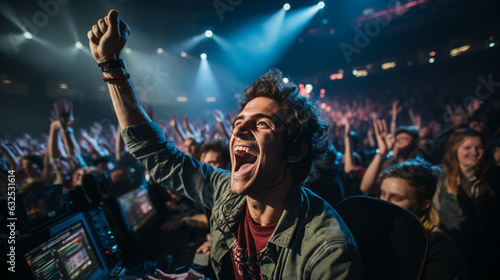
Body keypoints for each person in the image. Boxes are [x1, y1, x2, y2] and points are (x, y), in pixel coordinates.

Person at [87, 10, 362, 280]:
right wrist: (111, 66)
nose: (239, 128)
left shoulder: (327, 250)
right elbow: (158, 155)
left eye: (262, 123)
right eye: (239, 121)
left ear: (295, 151)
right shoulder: (226, 194)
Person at [379, 160, 469, 279]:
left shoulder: (436, 244)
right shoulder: (382, 231)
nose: (383, 202)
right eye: (382, 193)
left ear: (423, 204)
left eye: (397, 198)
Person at [432, 128, 500, 278]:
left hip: (484, 257)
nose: (474, 152)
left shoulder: (489, 177)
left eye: (479, 147)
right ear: (454, 149)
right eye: (467, 148)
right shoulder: (438, 175)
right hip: (452, 252)